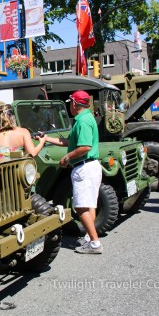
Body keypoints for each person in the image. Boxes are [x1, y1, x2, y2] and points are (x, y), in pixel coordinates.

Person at [43, 90, 103, 254]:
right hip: (91, 166)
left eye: (70, 103)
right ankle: (91, 238)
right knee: (90, 204)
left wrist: (67, 157)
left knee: (80, 207)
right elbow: (70, 141)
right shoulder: (86, 118)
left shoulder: (82, 122)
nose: (70, 106)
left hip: (84, 167)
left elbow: (84, 147)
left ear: (74, 104)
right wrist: (47, 138)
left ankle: (95, 244)